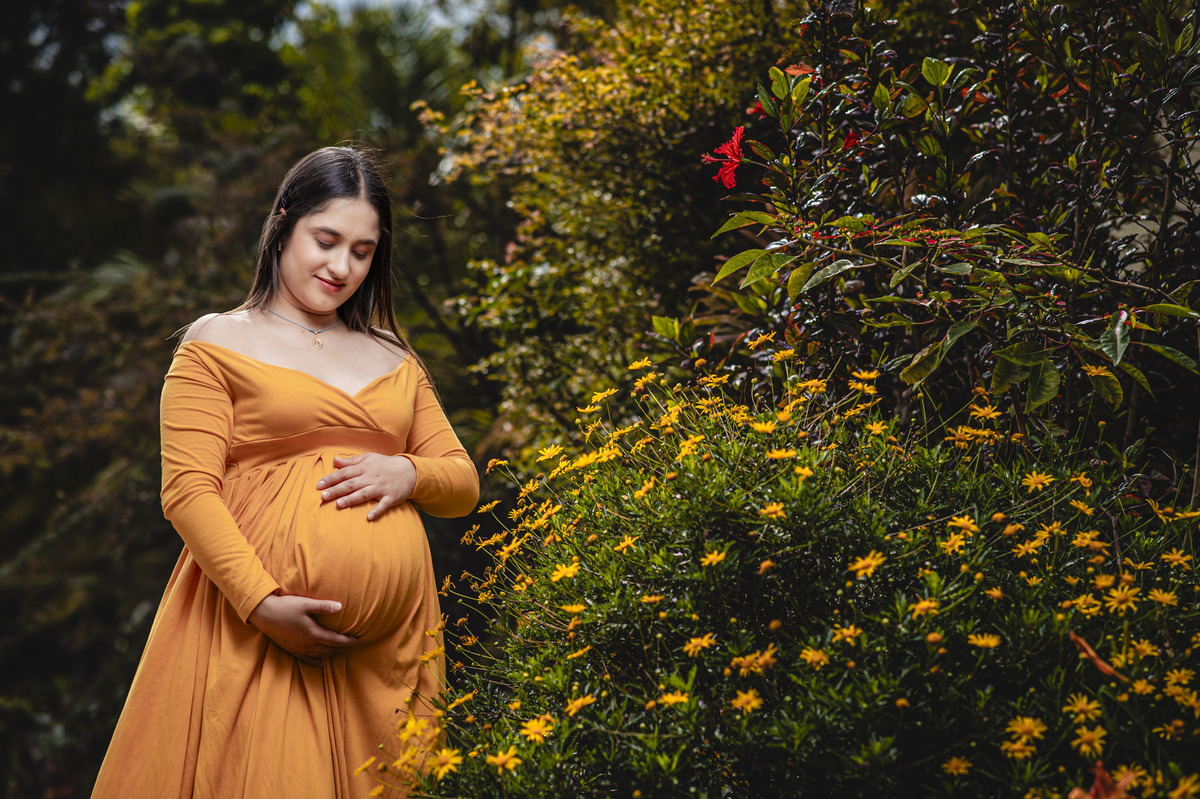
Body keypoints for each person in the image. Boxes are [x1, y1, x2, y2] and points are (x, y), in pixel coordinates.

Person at [92, 146, 479, 798]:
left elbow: (462, 481)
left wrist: (409, 472)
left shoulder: (392, 356)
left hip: (389, 659)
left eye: (363, 251)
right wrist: (263, 603)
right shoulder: (217, 341)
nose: (341, 266)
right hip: (253, 636)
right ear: (284, 221)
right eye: (326, 240)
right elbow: (187, 490)